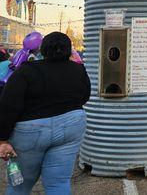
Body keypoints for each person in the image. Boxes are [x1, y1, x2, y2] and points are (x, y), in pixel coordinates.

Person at [0, 32, 90, 194]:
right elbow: (85, 97)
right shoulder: (78, 70)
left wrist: (3, 139)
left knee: (19, 184)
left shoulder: (26, 71)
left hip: (30, 131)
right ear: (69, 50)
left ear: (43, 49)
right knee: (59, 183)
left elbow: (8, 105)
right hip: (70, 127)